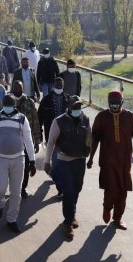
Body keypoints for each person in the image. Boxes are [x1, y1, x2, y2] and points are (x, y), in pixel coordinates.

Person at [87, 90, 133, 230]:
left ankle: (118, 219)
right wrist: (90, 158)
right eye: (111, 104)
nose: (114, 106)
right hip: (107, 162)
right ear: (108, 103)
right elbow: (95, 140)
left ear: (122, 103)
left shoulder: (130, 117)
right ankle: (107, 208)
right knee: (111, 190)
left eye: (117, 103)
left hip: (125, 162)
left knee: (123, 191)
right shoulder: (101, 117)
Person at [0, 95, 37, 233]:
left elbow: (28, 140)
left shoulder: (22, 119)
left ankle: (12, 219)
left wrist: (33, 160)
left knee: (16, 192)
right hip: (0, 159)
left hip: (18, 159)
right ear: (2, 105)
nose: (7, 107)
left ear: (14, 105)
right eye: (5, 104)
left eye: (10, 104)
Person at [44, 95, 92, 240]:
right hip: (64, 162)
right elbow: (51, 143)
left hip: (80, 161)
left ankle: (72, 214)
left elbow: (89, 136)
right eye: (75, 107)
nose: (78, 109)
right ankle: (68, 222)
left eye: (79, 106)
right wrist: (47, 162)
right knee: (69, 191)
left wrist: (88, 149)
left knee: (77, 189)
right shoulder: (59, 122)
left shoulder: (85, 119)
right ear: (69, 107)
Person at [38, 77, 71, 197]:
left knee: (61, 161)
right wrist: (39, 132)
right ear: (53, 85)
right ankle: (57, 179)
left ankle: (60, 187)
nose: (59, 87)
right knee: (55, 160)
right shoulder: (46, 100)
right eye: (57, 84)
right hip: (50, 134)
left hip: (65, 136)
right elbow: (39, 117)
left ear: (63, 85)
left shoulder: (68, 100)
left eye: (61, 85)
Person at [11, 81, 42, 198]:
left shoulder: (29, 102)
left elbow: (35, 121)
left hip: (26, 141)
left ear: (23, 88)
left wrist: (37, 140)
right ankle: (14, 188)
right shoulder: (8, 101)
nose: (17, 89)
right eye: (15, 87)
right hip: (12, 141)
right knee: (12, 167)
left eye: (19, 88)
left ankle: (23, 188)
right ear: (12, 88)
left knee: (26, 166)